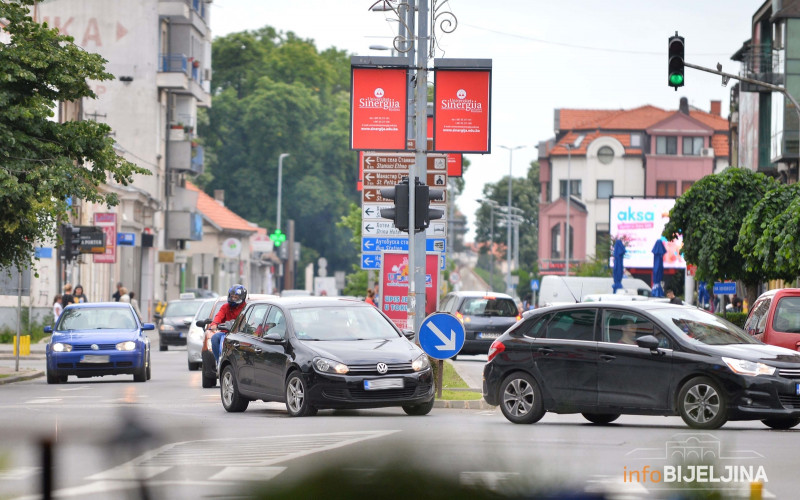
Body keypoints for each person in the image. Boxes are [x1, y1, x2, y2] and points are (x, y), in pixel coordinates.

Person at [209, 284, 248, 366]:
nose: (233, 299)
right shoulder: (225, 307)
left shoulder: (246, 307)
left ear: (242, 297)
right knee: (215, 338)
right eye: (232, 296)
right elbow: (219, 316)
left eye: (236, 297)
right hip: (226, 333)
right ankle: (219, 362)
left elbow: (250, 321)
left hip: (241, 334)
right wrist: (214, 324)